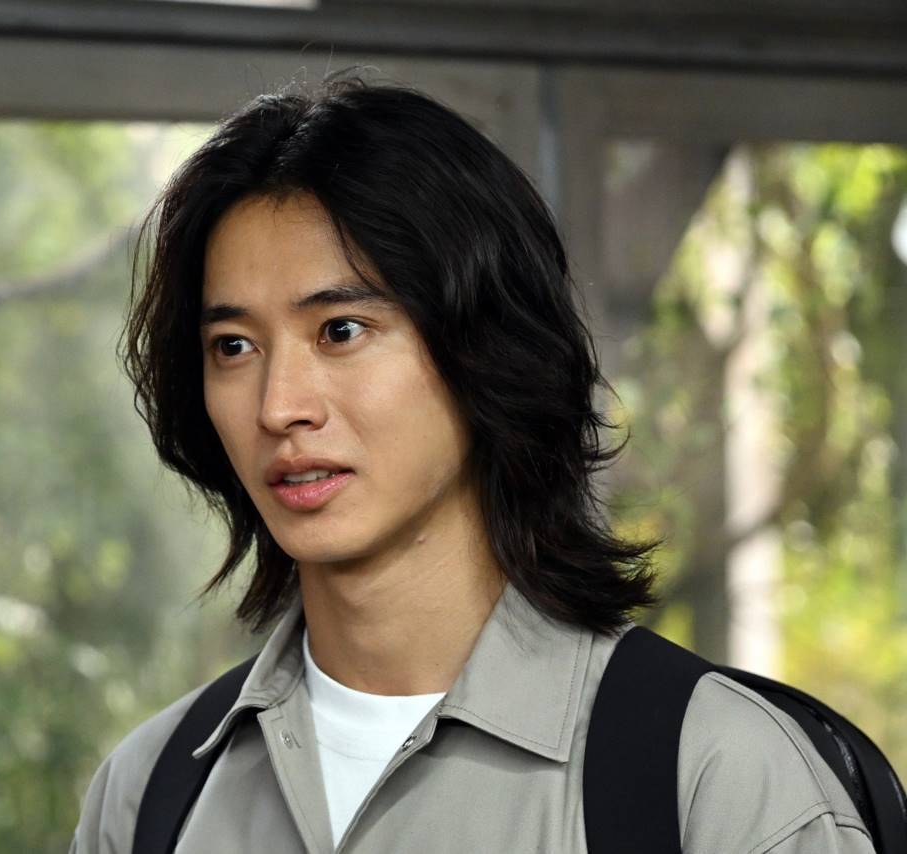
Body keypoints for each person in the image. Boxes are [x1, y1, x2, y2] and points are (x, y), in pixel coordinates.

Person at [70, 70, 874, 853]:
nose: (280, 407)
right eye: (233, 346)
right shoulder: (148, 798)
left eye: (341, 331)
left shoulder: (718, 781)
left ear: (484, 348)